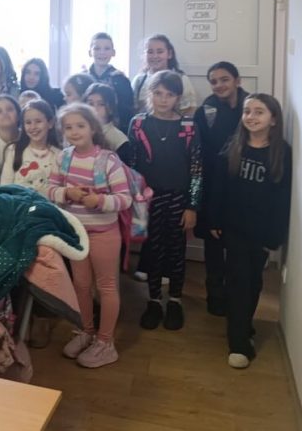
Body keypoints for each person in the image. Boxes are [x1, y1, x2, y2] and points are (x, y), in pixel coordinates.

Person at [209, 93, 292, 370]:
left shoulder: (282, 153)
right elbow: (219, 187)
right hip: (234, 229)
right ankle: (238, 343)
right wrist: (215, 219)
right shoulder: (233, 145)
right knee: (238, 283)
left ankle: (244, 325)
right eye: (247, 111)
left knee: (253, 282)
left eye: (259, 112)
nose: (251, 117)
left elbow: (282, 198)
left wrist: (275, 236)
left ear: (273, 119)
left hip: (260, 232)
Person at [47, 102, 132, 369]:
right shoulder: (63, 158)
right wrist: (66, 193)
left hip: (104, 234)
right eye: (68, 127)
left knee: (106, 287)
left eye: (80, 126)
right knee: (81, 285)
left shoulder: (108, 160)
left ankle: (106, 343)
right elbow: (49, 189)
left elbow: (125, 198)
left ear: (93, 128)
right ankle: (86, 331)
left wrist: (100, 201)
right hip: (76, 234)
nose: (74, 132)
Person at [127, 71, 202, 332]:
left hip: (179, 199)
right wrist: (136, 202)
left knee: (176, 251)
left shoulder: (189, 127)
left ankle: (175, 301)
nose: (163, 99)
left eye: (169, 95)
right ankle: (154, 300)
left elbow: (197, 170)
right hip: (149, 200)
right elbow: (132, 167)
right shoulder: (138, 124)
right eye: (158, 93)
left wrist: (192, 206)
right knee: (153, 250)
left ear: (178, 98)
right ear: (150, 94)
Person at [193, 61, 249, 317]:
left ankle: (236, 294)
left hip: (242, 181)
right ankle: (214, 293)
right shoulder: (206, 110)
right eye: (213, 81)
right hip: (213, 182)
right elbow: (200, 148)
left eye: (224, 79)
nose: (219, 85)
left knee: (238, 242)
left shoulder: (251, 106)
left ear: (237, 80)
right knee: (213, 243)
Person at [0, 99, 62, 197]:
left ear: (50, 123)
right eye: (28, 122)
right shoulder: (14, 150)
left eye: (38, 121)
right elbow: (5, 187)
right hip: (17, 204)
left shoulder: (59, 155)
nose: (33, 127)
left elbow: (59, 192)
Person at [131, 34, 198, 115]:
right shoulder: (139, 80)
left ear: (169, 54)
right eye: (150, 52)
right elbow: (133, 108)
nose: (155, 56)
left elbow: (189, 110)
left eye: (160, 52)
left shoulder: (181, 79)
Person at [83, 33, 135, 131]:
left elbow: (127, 111)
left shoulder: (121, 80)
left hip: (113, 129)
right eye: (97, 48)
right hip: (86, 128)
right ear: (90, 52)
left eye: (107, 48)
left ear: (113, 52)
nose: (102, 52)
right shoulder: (83, 79)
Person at [85, 83, 132, 164]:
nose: (94, 108)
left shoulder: (119, 139)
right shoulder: (79, 130)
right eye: (90, 104)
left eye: (101, 104)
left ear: (110, 108)